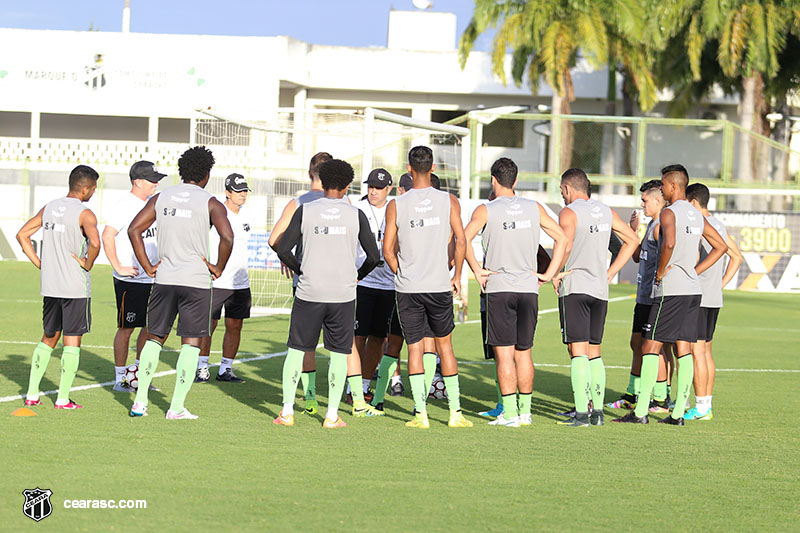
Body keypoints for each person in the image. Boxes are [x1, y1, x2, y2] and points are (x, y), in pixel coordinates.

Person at [614, 164, 727, 425]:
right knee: (684, 349)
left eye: (664, 185)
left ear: (674, 186)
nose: (662, 189)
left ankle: (640, 411)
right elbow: (720, 247)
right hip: (692, 291)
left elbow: (670, 242)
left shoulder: (669, 213)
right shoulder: (697, 215)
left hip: (671, 290)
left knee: (650, 345)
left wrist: (661, 271)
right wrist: (694, 270)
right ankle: (677, 415)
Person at [127, 146, 233, 420]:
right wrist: (218, 267)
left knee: (154, 338)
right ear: (207, 174)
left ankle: (139, 402)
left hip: (165, 279)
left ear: (181, 171)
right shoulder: (211, 202)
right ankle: (175, 407)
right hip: (196, 282)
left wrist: (148, 267)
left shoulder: (162, 197)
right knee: (190, 343)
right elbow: (227, 237)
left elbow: (134, 229)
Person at [274, 159, 380, 428]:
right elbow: (373, 256)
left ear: (322, 183)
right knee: (338, 353)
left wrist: (302, 269)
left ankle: (287, 412)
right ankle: (331, 415)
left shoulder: (305, 210)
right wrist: (358, 276)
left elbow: (283, 248)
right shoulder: (355, 214)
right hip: (342, 295)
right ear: (346, 186)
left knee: (296, 350)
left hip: (309, 291)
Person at [464, 157, 568, 427]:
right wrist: (548, 273)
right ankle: (525, 413)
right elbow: (563, 237)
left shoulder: (486, 209)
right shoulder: (534, 208)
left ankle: (509, 413)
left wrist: (475, 269)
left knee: (504, 354)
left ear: (493, 180)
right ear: (516, 181)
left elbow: (463, 237)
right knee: (524, 352)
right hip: (528, 290)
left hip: (500, 289)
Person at [383, 145, 472, 429]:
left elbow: (387, 250)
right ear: (433, 168)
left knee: (415, 349)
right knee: (445, 346)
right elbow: (461, 240)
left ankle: (420, 415)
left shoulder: (397, 204)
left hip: (409, 288)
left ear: (409, 169)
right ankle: (455, 413)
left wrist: (403, 273)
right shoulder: (449, 201)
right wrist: (457, 275)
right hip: (438, 285)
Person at [555, 168, 639, 427]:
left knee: (577, 352)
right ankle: (598, 412)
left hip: (576, 285)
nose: (562, 197)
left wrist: (556, 272)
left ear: (568, 189)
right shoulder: (606, 211)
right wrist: (611, 272)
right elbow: (632, 240)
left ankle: (581, 414)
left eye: (561, 192)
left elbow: (565, 245)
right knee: (594, 353)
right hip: (599, 291)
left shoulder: (569, 213)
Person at [16, 165, 101, 409]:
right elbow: (95, 242)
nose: (94, 192)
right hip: (75, 287)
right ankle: (62, 399)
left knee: (48, 337)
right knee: (72, 341)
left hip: (51, 287)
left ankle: (32, 394)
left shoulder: (50, 207)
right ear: (85, 189)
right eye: (93, 188)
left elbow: (22, 234)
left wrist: (40, 264)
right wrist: (88, 263)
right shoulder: (85, 213)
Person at [269, 152, 332, 414]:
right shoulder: (345, 203)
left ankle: (310, 397)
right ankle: (351, 401)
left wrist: (291, 259)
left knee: (304, 342)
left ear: (309, 174)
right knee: (343, 343)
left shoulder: (297, 203)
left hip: (306, 280)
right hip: (338, 282)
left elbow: (275, 240)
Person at [102, 161, 165, 392]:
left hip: (153, 278)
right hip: (131, 279)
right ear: (138, 181)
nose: (156, 183)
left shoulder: (153, 204)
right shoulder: (125, 205)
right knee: (126, 328)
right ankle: (120, 379)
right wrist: (118, 266)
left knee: (150, 327)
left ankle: (138, 375)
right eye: (152, 179)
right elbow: (108, 235)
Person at [684, 182, 743, 420]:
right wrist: (720, 284)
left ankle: (699, 406)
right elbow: (737, 257)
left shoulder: (698, 224)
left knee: (695, 352)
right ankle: (705, 405)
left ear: (693, 202)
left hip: (697, 296)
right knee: (706, 351)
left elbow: (694, 256)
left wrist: (693, 274)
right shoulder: (718, 224)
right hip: (713, 298)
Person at [606, 180, 666, 410]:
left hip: (654, 296)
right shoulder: (651, 225)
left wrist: (661, 276)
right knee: (637, 343)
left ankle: (660, 398)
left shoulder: (662, 225)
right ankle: (632, 395)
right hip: (642, 296)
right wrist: (633, 230)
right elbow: (636, 256)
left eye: (644, 200)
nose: (642, 205)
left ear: (657, 200)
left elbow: (668, 253)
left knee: (653, 347)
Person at [196, 173, 254, 384]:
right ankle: (202, 367)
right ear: (227, 192)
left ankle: (226, 369)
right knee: (208, 325)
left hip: (240, 282)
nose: (242, 195)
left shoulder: (248, 216)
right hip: (216, 280)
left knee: (235, 325)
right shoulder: (215, 214)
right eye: (238, 191)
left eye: (245, 190)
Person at [352, 168, 396, 401]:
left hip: (389, 284)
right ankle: (352, 386)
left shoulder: (396, 208)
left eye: (378, 188)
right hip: (363, 280)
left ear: (389, 189)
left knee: (379, 337)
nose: (373, 191)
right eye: (370, 187)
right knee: (359, 336)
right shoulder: (357, 208)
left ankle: (365, 383)